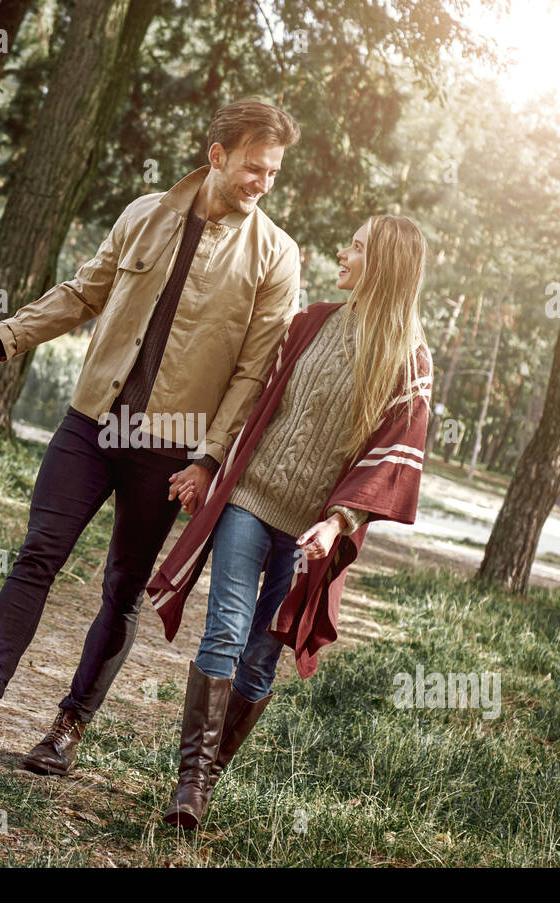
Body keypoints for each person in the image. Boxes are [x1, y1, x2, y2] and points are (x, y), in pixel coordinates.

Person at [0, 99, 303, 775]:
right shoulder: (144, 214)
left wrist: (209, 459)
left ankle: (67, 728)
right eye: (252, 167)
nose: (261, 183)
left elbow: (253, 374)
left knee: (122, 590)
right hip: (93, 421)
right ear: (217, 155)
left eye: (272, 173)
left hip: (171, 448)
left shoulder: (276, 257)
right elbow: (81, 294)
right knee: (37, 555)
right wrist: (3, 337)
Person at [146, 214, 433, 829]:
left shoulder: (409, 361)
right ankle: (190, 787)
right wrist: (209, 463)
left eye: (355, 247)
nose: (342, 252)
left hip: (312, 531)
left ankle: (212, 774)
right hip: (251, 499)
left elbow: (392, 458)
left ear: (383, 263)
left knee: (260, 656)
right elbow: (251, 403)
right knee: (224, 629)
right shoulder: (309, 324)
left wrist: (338, 522)